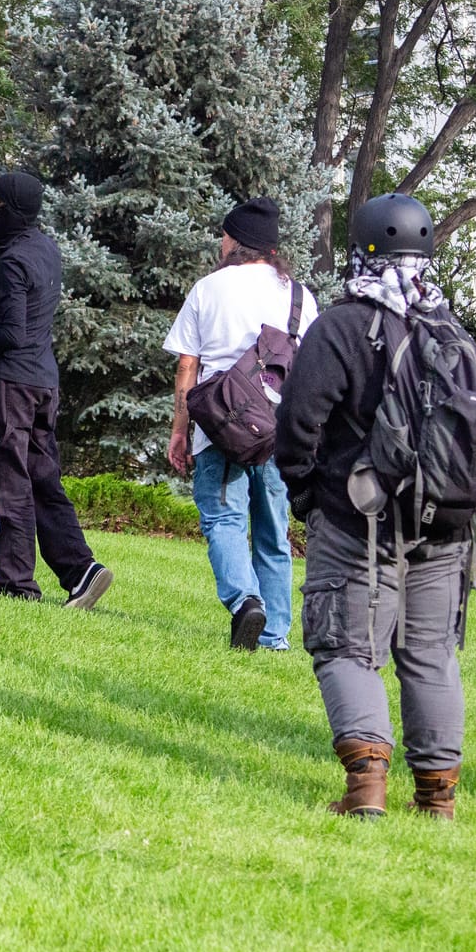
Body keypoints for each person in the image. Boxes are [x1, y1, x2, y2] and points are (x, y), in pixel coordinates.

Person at [275, 193, 473, 819]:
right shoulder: (452, 331)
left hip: (358, 522)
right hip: (447, 525)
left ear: (360, 249)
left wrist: (307, 492)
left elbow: (298, 422)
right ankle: (437, 800)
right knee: (431, 655)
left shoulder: (342, 326)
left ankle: (366, 791)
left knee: (346, 647)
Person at [165, 197, 317, 650]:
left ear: (239, 242)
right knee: (273, 532)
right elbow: (311, 367)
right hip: (278, 430)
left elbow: (187, 366)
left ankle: (244, 600)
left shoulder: (209, 288)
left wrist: (179, 429)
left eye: (225, 235)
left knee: (222, 518)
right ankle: (273, 636)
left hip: (220, 428)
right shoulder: (299, 295)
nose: (221, 241)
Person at [0, 172, 111, 608]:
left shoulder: (13, 262)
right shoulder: (43, 248)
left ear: (8, 211)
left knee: (8, 480)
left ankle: (17, 584)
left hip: (11, 385)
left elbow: (10, 333)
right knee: (43, 480)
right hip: (44, 384)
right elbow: (6, 248)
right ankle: (80, 569)